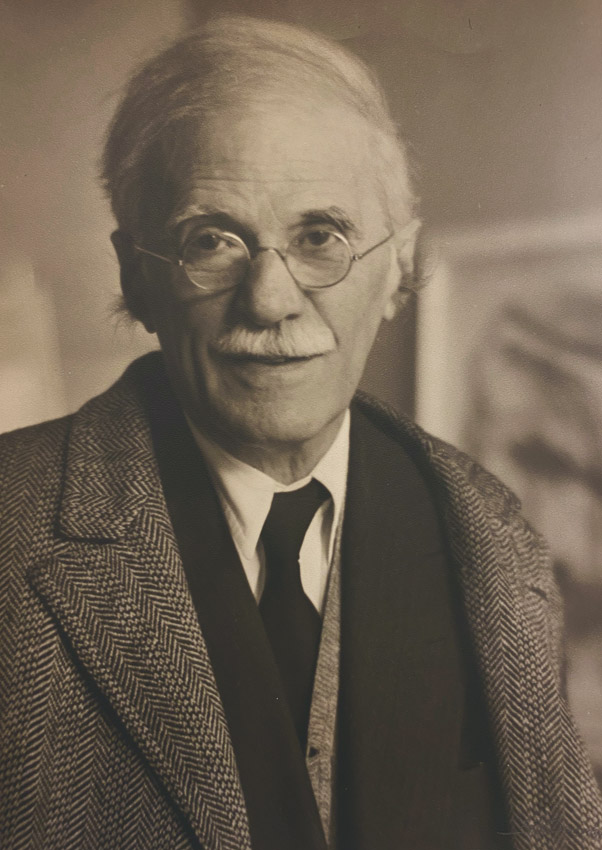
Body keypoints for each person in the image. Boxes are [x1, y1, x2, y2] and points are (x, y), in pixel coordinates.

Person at [0, 16, 600, 850]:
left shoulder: (496, 542)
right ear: (138, 277)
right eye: (212, 240)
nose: (271, 299)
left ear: (398, 267)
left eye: (321, 237)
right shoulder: (14, 528)